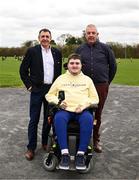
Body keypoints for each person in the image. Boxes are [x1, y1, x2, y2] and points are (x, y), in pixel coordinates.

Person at [45, 53, 99, 170]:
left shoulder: (87, 80)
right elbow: (49, 95)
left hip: (82, 111)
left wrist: (84, 106)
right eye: (72, 63)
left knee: (88, 119)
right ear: (67, 65)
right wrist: (59, 102)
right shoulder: (60, 79)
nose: (74, 65)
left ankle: (80, 154)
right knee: (58, 118)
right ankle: (64, 154)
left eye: (77, 63)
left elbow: (95, 98)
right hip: (65, 110)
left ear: (81, 65)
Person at [20, 28, 62, 160]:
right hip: (37, 90)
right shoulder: (32, 51)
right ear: (39, 38)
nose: (45, 38)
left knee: (48, 118)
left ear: (50, 38)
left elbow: (58, 73)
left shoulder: (57, 52)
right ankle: (31, 148)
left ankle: (45, 142)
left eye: (47, 36)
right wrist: (29, 86)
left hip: (51, 91)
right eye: (42, 36)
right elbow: (23, 71)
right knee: (34, 119)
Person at [75, 24, 117, 153]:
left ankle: (95, 140)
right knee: (82, 112)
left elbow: (113, 67)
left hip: (100, 86)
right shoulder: (80, 49)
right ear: (85, 35)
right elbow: (74, 67)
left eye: (93, 33)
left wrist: (106, 82)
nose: (91, 35)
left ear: (97, 34)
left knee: (97, 114)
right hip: (83, 87)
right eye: (89, 33)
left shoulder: (105, 49)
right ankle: (81, 139)